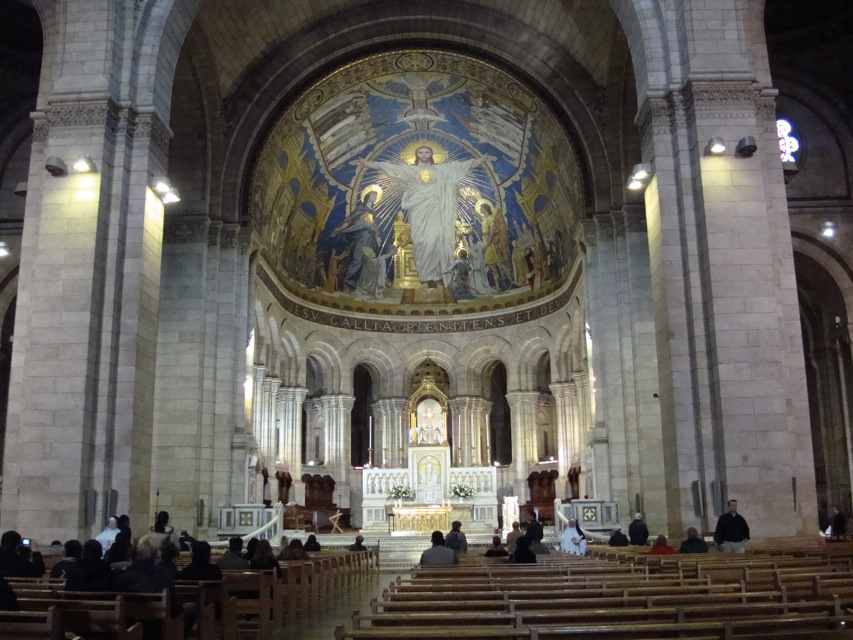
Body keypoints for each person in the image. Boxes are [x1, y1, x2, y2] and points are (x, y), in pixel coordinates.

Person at [355, 146, 492, 287]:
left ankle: (437, 276)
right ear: (416, 154)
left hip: (436, 212)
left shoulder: (441, 170)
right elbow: (388, 167)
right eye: (420, 152)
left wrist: (480, 160)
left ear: (431, 154)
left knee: (436, 240)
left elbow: (462, 166)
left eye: (427, 152)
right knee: (420, 242)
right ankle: (425, 277)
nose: (424, 155)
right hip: (418, 211)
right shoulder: (410, 171)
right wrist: (367, 164)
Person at [112, 534, 196, 639]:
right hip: (157, 627)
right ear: (156, 554)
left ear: (137, 552)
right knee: (191, 608)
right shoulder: (163, 575)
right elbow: (176, 608)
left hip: (130, 627)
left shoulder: (123, 576)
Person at [331, 187, 382, 292]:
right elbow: (350, 220)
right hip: (360, 236)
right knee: (358, 260)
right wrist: (339, 229)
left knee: (365, 261)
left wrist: (377, 237)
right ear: (368, 196)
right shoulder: (361, 208)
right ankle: (348, 283)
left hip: (369, 238)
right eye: (373, 194)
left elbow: (374, 226)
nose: (375, 197)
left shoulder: (373, 212)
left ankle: (358, 285)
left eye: (376, 195)